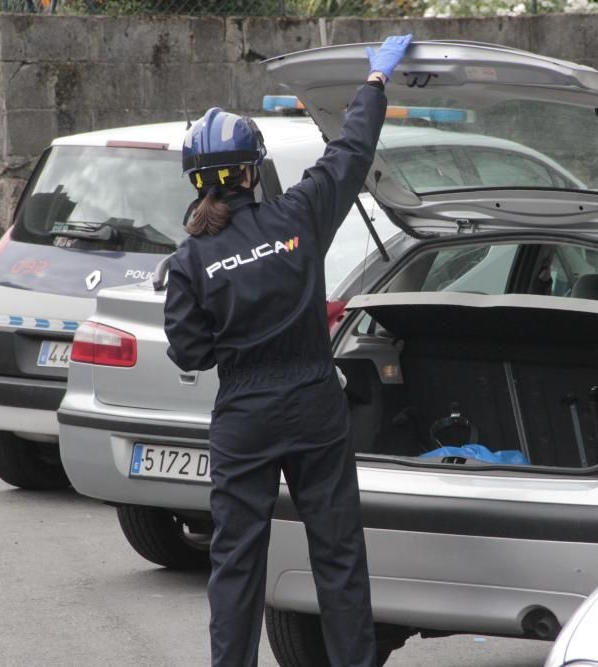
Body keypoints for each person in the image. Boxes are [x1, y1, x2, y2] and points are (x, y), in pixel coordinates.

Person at [163, 35, 413, 667]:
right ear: (252, 170)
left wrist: (234, 335)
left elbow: (190, 354)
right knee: (338, 556)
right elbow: (350, 152)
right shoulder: (297, 216)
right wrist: (374, 82)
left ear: (197, 179)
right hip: (312, 405)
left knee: (236, 563)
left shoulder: (190, 260)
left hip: (245, 416)